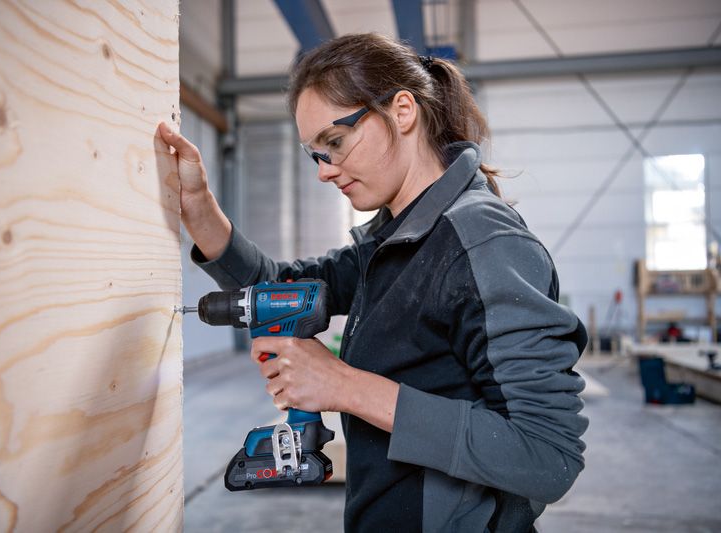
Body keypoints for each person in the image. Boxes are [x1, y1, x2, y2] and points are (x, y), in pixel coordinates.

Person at [160, 33, 588, 533]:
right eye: (314, 153)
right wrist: (200, 207)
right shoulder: (391, 243)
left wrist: (344, 386)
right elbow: (277, 290)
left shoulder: (484, 244)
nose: (324, 172)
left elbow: (546, 455)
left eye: (335, 143)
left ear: (402, 111)